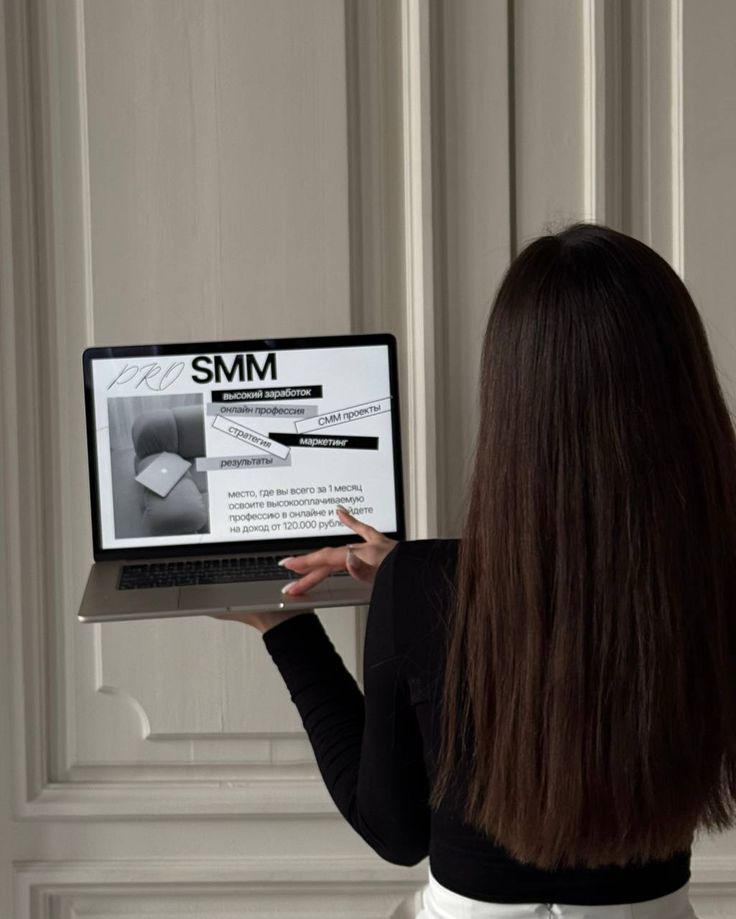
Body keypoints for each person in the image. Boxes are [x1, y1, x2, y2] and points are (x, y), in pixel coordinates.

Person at [210, 222, 736, 918]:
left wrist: (289, 628)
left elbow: (395, 833)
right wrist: (427, 579)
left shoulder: (421, 585)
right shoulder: (716, 579)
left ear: (511, 400)